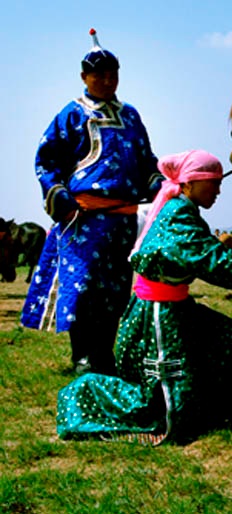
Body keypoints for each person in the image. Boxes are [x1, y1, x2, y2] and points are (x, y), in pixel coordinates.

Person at [56, 150, 232, 445]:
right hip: (158, 314)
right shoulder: (179, 214)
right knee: (160, 410)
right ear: (190, 184)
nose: (218, 190)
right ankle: (84, 397)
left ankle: (208, 409)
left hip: (172, 307)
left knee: (229, 337)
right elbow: (212, 259)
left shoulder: (184, 211)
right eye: (213, 183)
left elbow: (213, 254)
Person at [21, 29, 164, 376]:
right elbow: (46, 160)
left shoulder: (131, 116)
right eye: (98, 73)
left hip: (126, 219)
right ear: (84, 77)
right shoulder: (71, 114)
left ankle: (104, 353)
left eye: (112, 73)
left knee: (116, 289)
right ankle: (83, 355)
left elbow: (146, 161)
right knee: (83, 287)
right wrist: (58, 195)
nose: (107, 79)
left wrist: (161, 184)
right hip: (83, 219)